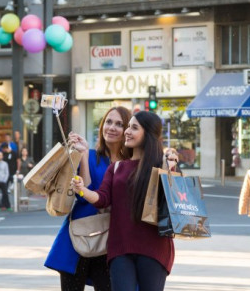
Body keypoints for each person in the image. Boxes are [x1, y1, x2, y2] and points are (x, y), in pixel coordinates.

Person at [72, 111, 178, 291]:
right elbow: (102, 198)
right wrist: (83, 191)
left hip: (155, 249)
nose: (127, 131)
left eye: (134, 128)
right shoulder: (117, 167)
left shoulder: (162, 164)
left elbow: (173, 202)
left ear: (149, 134)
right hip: (120, 249)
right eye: (128, 126)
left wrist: (170, 168)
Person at [46, 106, 132, 291]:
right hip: (79, 236)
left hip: (111, 241)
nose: (112, 127)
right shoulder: (91, 155)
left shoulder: (131, 163)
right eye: (108, 122)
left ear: (128, 129)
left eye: (119, 124)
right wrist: (83, 155)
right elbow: (83, 193)